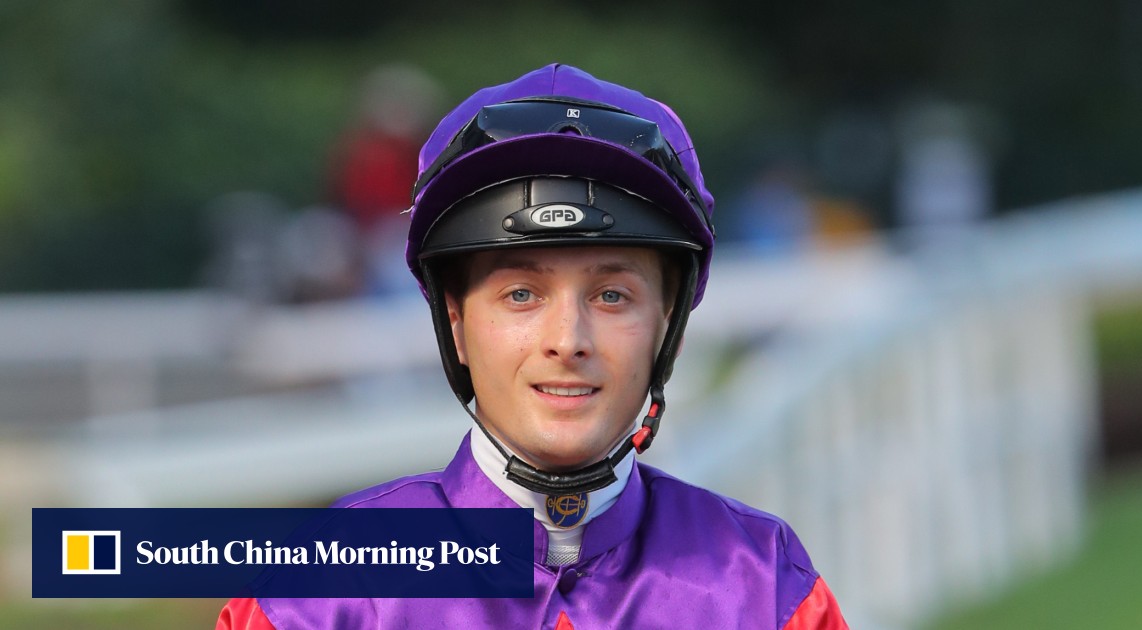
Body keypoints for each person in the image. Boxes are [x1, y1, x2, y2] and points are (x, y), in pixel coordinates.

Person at [217, 63, 847, 629]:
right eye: (521, 294)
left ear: (668, 326)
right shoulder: (319, 595)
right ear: (456, 322)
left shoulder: (765, 585)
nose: (567, 341)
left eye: (612, 297)